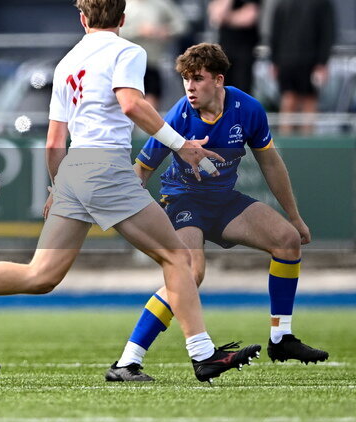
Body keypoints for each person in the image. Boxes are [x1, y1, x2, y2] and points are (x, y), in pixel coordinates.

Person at [0, 0, 261, 383]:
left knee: (41, 275)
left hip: (74, 167)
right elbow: (132, 104)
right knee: (177, 258)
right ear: (124, 19)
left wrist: (57, 186)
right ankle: (203, 355)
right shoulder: (128, 50)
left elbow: (55, 139)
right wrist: (181, 145)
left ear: (82, 19)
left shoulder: (66, 64)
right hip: (105, 166)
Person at [105, 42, 328, 382]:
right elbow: (143, 169)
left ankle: (281, 338)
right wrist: (129, 212)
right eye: (185, 80)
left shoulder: (248, 109)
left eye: (197, 79)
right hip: (183, 201)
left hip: (223, 202)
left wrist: (294, 217)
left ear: (219, 80)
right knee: (191, 271)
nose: (190, 87)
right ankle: (127, 361)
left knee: (286, 240)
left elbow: (271, 163)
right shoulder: (179, 115)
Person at [270, 0, 336, 135]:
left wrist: (322, 63)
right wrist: (274, 61)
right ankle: (285, 151)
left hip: (311, 61)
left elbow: (327, 33)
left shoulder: (322, 0)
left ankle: (308, 151)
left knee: (309, 103)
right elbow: (276, 32)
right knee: (288, 101)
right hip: (287, 61)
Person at [120, 0, 188, 110]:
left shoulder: (160, 1)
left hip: (152, 61)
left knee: (150, 100)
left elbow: (181, 23)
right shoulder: (123, 4)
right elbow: (115, 30)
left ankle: (147, 131)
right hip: (128, 62)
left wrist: (166, 31)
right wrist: (138, 31)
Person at [207, 0, 261, 95]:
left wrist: (226, 16)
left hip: (245, 48)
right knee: (223, 91)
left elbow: (249, 17)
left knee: (243, 90)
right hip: (225, 48)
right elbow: (216, 17)